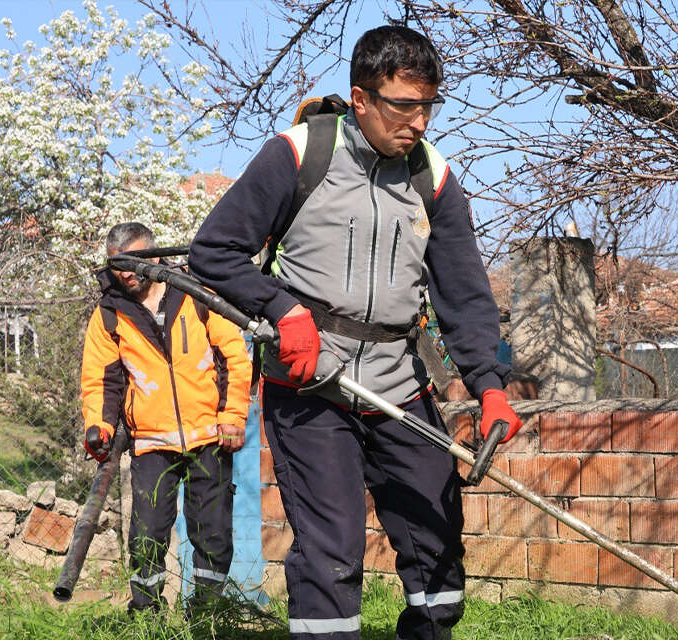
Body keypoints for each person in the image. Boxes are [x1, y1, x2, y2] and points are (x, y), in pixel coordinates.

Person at [189, 25, 522, 640]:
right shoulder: (296, 154)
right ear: (362, 98)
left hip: (402, 382)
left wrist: (489, 384)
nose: (419, 121)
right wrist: (283, 311)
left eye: (429, 104)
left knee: (436, 536)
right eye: (404, 104)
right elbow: (215, 252)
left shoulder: (435, 178)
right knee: (332, 545)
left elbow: (464, 291)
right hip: (310, 381)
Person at [80, 222, 252, 615]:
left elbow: (235, 359)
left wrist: (232, 416)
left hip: (211, 435)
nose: (124, 274)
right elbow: (100, 381)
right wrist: (99, 426)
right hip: (151, 443)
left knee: (212, 533)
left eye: (132, 262)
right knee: (146, 535)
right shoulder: (109, 313)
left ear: (154, 256)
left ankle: (205, 616)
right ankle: (146, 616)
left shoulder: (198, 294)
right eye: (116, 266)